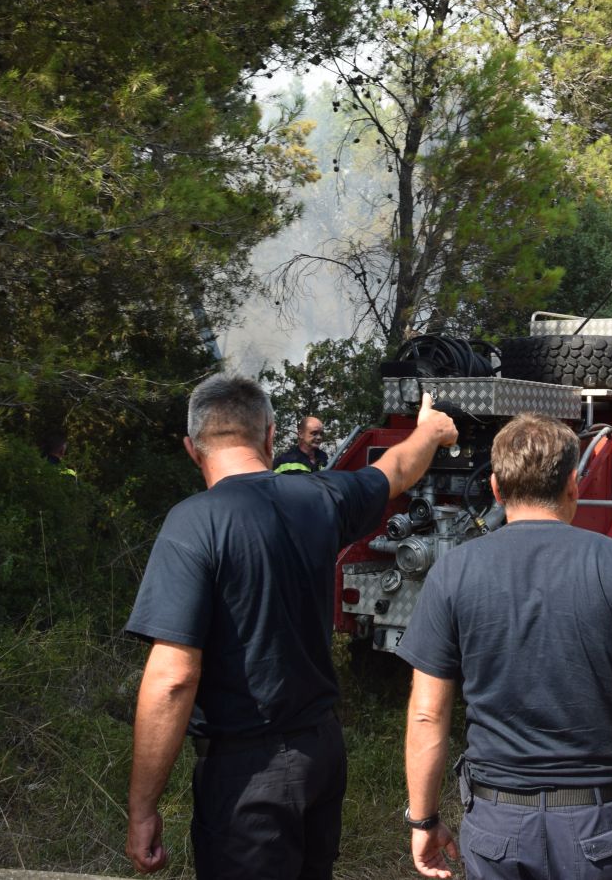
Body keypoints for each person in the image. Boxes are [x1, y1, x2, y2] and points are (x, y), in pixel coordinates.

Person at [123, 375, 457, 879]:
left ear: (193, 449)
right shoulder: (319, 498)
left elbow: (173, 679)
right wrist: (429, 431)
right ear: (270, 437)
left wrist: (142, 808)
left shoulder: (193, 523)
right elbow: (395, 470)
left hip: (247, 775)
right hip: (320, 754)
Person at [396, 413, 612, 880]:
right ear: (573, 484)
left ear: (497, 488)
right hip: (601, 827)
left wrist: (423, 820)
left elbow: (426, 714)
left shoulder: (453, 572)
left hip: (498, 826)